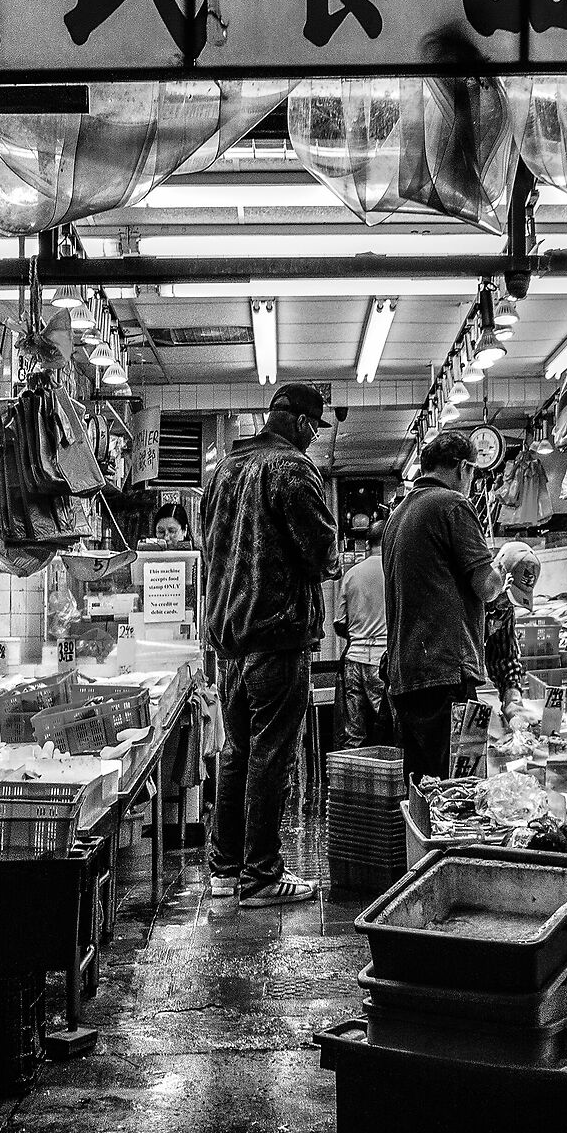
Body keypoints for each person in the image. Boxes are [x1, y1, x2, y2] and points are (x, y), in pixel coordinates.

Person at [198, 382, 339, 907]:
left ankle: (224, 869)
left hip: (228, 646)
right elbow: (323, 553)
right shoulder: (292, 469)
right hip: (276, 639)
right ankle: (262, 875)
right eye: (313, 429)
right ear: (303, 424)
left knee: (236, 753)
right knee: (271, 757)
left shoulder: (222, 473)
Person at [382, 431, 508, 784]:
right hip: (444, 671)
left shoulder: (398, 515)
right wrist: (504, 572)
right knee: (452, 787)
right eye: (473, 472)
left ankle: (419, 842)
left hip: (406, 676)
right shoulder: (452, 504)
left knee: (422, 787)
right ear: (463, 467)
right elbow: (485, 587)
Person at [335, 515, 394, 748]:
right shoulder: (393, 571)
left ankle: (351, 781)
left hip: (353, 661)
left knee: (354, 735)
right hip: (383, 664)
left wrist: (358, 635)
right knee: (389, 730)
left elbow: (339, 623)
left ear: (368, 544)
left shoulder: (351, 574)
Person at [486, 539, 540, 727]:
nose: (507, 605)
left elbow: (504, 657)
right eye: (507, 596)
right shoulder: (465, 600)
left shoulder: (504, 610)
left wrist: (513, 700)